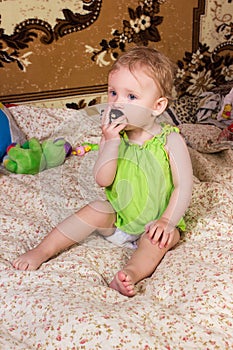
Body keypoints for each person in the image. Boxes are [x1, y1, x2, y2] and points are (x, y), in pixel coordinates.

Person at [12, 46, 193, 297]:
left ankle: (130, 273)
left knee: (157, 241)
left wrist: (167, 221)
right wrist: (111, 141)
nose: (118, 103)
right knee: (96, 208)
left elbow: (183, 185)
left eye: (131, 97)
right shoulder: (115, 137)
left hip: (156, 223)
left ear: (157, 105)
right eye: (113, 93)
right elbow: (103, 179)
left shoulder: (170, 141)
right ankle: (43, 250)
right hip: (119, 219)